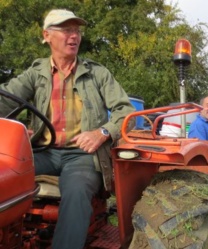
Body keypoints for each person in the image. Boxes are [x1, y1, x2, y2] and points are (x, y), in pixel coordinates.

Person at [0, 9, 135, 249]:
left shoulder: (97, 73)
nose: (74, 36)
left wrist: (101, 133)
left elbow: (126, 112)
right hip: (43, 153)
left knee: (77, 190)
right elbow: (6, 101)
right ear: (47, 35)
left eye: (77, 31)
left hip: (81, 156)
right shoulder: (36, 73)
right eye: (66, 30)